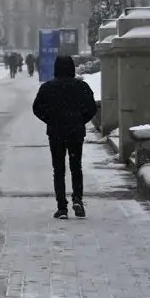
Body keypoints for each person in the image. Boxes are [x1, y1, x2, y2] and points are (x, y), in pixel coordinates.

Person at [32, 55, 98, 219]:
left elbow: (37, 108)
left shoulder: (48, 87)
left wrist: (50, 119)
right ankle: (78, 199)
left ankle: (62, 206)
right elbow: (91, 107)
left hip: (56, 133)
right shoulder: (81, 86)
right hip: (75, 132)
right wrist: (80, 120)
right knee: (76, 167)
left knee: (59, 169)